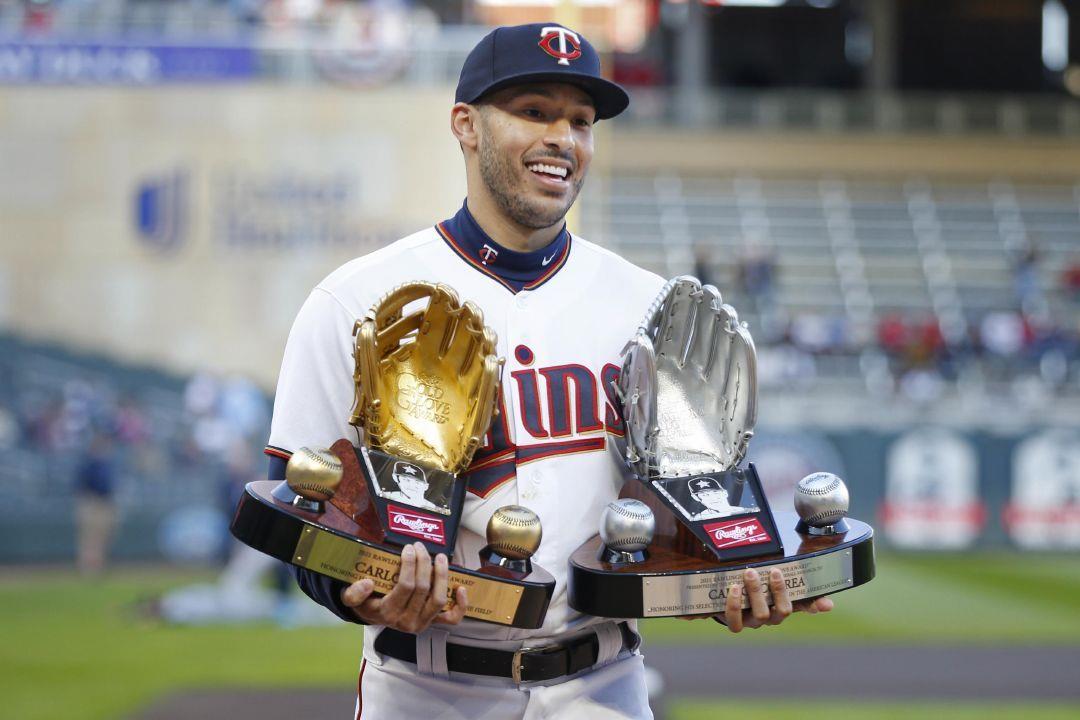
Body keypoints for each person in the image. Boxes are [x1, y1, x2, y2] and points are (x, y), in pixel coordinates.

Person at [264, 23, 833, 719]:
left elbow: (668, 518)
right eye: (534, 111)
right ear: (465, 125)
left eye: (581, 121)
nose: (562, 137)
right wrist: (357, 589)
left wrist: (722, 582)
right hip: (428, 689)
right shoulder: (358, 300)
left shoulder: (648, 307)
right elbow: (307, 514)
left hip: (604, 684)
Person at [688, 477, 755, 520]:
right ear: (696, 498)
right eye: (705, 495)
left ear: (725, 493)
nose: (713, 498)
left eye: (716, 493)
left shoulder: (749, 512)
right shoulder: (698, 519)